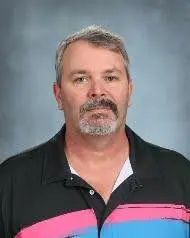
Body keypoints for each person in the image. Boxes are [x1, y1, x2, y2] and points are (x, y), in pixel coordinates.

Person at [0, 25, 190, 238]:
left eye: (110, 78)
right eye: (81, 79)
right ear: (58, 95)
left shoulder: (181, 176)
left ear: (129, 91)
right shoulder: (10, 184)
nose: (97, 91)